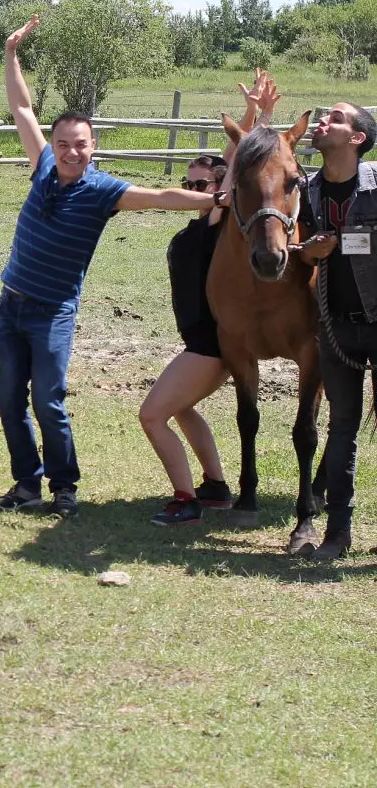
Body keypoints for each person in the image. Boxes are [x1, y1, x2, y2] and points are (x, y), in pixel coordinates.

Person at [0, 16, 227, 517]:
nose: (71, 152)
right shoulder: (44, 167)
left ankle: (65, 488)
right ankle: (26, 486)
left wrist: (214, 199)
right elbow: (22, 108)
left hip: (52, 311)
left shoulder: (104, 191)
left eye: (81, 144)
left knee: (48, 402)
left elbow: (162, 195)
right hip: (10, 306)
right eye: (64, 144)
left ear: (93, 146)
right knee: (9, 401)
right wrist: (10, 56)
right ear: (54, 147)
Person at [141, 71, 281, 526]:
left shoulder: (219, 217)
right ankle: (216, 487)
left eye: (203, 185)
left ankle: (186, 500)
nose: (195, 190)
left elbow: (238, 158)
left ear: (223, 189)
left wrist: (258, 116)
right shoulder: (198, 223)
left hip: (212, 346)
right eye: (190, 183)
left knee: (152, 415)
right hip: (199, 341)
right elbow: (229, 162)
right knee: (179, 409)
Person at [292, 100, 377, 558]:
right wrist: (312, 252)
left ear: (356, 138)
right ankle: (337, 535)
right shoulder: (308, 190)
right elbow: (300, 250)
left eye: (336, 119)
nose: (322, 122)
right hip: (337, 327)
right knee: (341, 429)